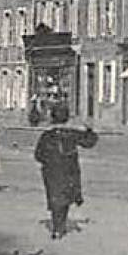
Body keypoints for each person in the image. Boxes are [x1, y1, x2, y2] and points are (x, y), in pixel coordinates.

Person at [33, 102, 97, 238]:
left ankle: (57, 227)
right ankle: (60, 227)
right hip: (69, 170)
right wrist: (90, 130)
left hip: (51, 171)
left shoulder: (47, 135)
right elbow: (89, 142)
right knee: (66, 198)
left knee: (54, 197)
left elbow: (38, 155)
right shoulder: (72, 134)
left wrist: (47, 161)